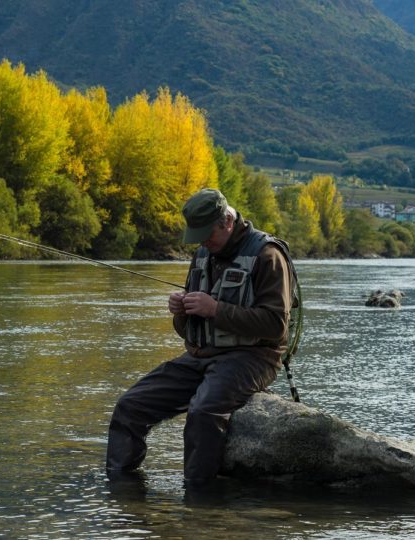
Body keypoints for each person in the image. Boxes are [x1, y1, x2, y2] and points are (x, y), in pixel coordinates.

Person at [105, 188, 295, 487]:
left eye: (207, 235)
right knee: (130, 406)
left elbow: (275, 327)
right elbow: (187, 329)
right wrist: (181, 311)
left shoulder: (267, 255)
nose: (202, 242)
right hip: (200, 355)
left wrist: (215, 309)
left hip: (253, 358)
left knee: (203, 413)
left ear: (227, 223)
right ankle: (120, 489)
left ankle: (198, 500)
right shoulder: (204, 253)